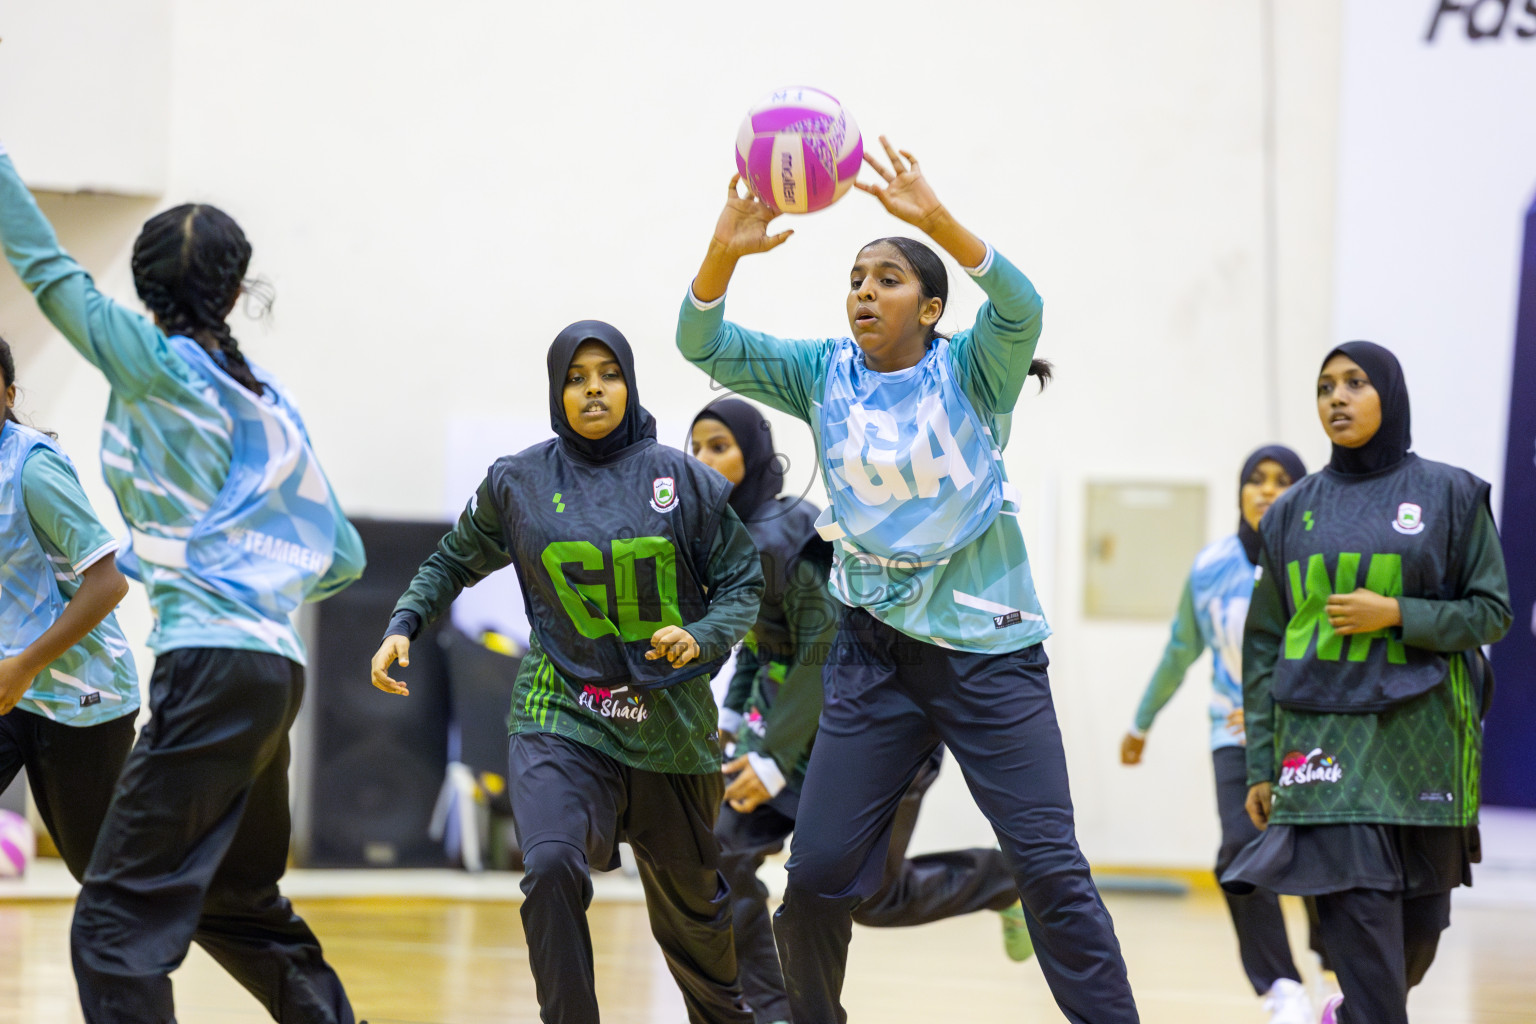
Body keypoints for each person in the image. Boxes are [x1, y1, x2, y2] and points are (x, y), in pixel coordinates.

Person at [678, 138, 1139, 1024]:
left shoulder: (972, 370)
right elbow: (699, 338)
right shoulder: (821, 374)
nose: (863, 291)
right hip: (871, 657)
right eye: (855, 277)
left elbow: (1023, 303)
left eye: (887, 278)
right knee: (813, 881)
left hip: (990, 655)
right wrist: (724, 250)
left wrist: (934, 222)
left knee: (1047, 866)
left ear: (931, 309)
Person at [0, 141, 366, 1024]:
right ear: (237, 292)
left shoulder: (155, 366)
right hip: (275, 673)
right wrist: (253, 588)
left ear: (144, 287)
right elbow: (345, 555)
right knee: (242, 906)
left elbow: (47, 270)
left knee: (113, 930)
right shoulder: (268, 402)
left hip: (204, 666)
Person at [371, 322, 764, 1024]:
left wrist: (701, 637)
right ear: (557, 390)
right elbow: (451, 560)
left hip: (670, 728)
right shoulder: (518, 482)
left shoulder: (686, 481)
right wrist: (404, 622)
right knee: (550, 866)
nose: (592, 389)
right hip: (563, 711)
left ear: (629, 384)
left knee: (697, 931)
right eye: (576, 377)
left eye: (607, 374)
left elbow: (742, 584)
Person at [692, 398, 1030, 1024]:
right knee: (724, 855)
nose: (705, 461)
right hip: (790, 736)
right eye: (697, 448)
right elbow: (767, 648)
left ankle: (1003, 880)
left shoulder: (790, 533)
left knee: (869, 900)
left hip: (867, 728)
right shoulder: (732, 537)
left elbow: (824, 656)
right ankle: (772, 1012)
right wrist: (734, 723)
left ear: (757, 453)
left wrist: (769, 759)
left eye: (720, 446)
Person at [1224, 342, 1512, 1024]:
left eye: (1355, 383)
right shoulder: (1292, 512)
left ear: (1391, 394)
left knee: (1415, 942)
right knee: (1370, 964)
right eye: (1326, 386)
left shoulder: (1451, 494)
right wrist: (1262, 762)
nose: (1337, 398)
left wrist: (1399, 615)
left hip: (1423, 748)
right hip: (1323, 754)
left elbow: (1492, 612)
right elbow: (1264, 642)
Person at [1120, 444, 1321, 1023]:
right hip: (1233, 736)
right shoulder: (1210, 568)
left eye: (1282, 480)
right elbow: (1181, 649)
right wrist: (1141, 722)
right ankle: (1282, 987)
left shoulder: (1318, 563)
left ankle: (1337, 974)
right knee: (1239, 852)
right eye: (1255, 479)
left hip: (1309, 732)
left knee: (1321, 857)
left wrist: (1281, 709)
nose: (1265, 490)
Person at [0, 337, 138, 880]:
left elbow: (108, 584)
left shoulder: (31, 469)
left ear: (8, 394)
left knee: (101, 876)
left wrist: (25, 665)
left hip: (82, 695)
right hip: (13, 683)